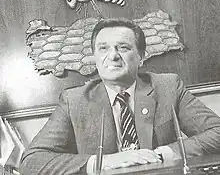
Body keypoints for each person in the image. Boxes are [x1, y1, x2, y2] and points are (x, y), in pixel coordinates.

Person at [20, 18, 220, 174]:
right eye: (103, 48)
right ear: (96, 58)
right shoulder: (74, 101)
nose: (113, 55)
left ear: (141, 57)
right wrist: (104, 162)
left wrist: (163, 154)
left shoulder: (167, 86)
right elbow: (32, 161)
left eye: (123, 47)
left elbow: (217, 132)